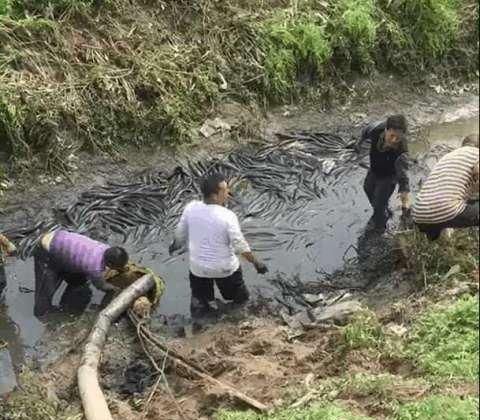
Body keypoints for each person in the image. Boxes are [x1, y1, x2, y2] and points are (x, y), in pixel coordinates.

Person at [169, 173, 268, 316]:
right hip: (225, 270)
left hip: (198, 270)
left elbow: (179, 234)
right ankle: (235, 316)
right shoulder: (228, 216)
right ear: (215, 196)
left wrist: (174, 246)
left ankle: (202, 312)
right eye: (225, 191)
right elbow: (240, 246)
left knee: (201, 301)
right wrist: (257, 263)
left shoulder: (190, 208)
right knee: (241, 299)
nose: (228, 193)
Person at [33, 229, 129, 317]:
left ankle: (70, 284)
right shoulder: (94, 267)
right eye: (116, 267)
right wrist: (113, 287)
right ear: (109, 264)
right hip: (46, 250)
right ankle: (43, 314)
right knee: (46, 290)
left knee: (78, 280)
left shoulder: (105, 248)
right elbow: (100, 285)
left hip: (60, 238)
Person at [413, 134, 479, 241]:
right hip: (445, 210)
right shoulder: (476, 154)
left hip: (419, 214)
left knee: (444, 210)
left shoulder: (448, 157)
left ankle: (434, 238)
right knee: (452, 208)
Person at [356, 115, 411, 232]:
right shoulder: (376, 130)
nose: (394, 140)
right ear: (386, 130)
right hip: (374, 169)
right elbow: (365, 131)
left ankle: (380, 227)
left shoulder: (402, 153)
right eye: (392, 136)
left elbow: (403, 177)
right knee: (367, 188)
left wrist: (405, 201)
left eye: (398, 138)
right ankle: (383, 210)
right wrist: (359, 143)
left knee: (380, 203)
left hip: (389, 177)